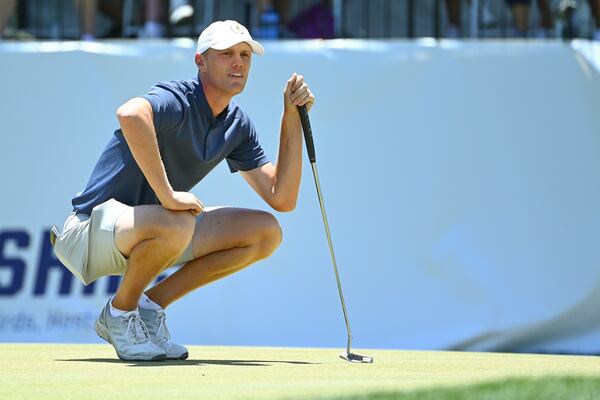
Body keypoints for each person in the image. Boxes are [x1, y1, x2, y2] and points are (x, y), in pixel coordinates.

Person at [51, 19, 314, 361]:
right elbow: (130, 114)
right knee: (178, 219)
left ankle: (148, 307)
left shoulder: (236, 124)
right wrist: (168, 196)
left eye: (245, 54)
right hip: (88, 233)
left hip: (154, 231)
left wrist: (290, 117)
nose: (239, 62)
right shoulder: (179, 98)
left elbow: (282, 197)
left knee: (265, 232)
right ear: (200, 62)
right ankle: (118, 314)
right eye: (226, 54)